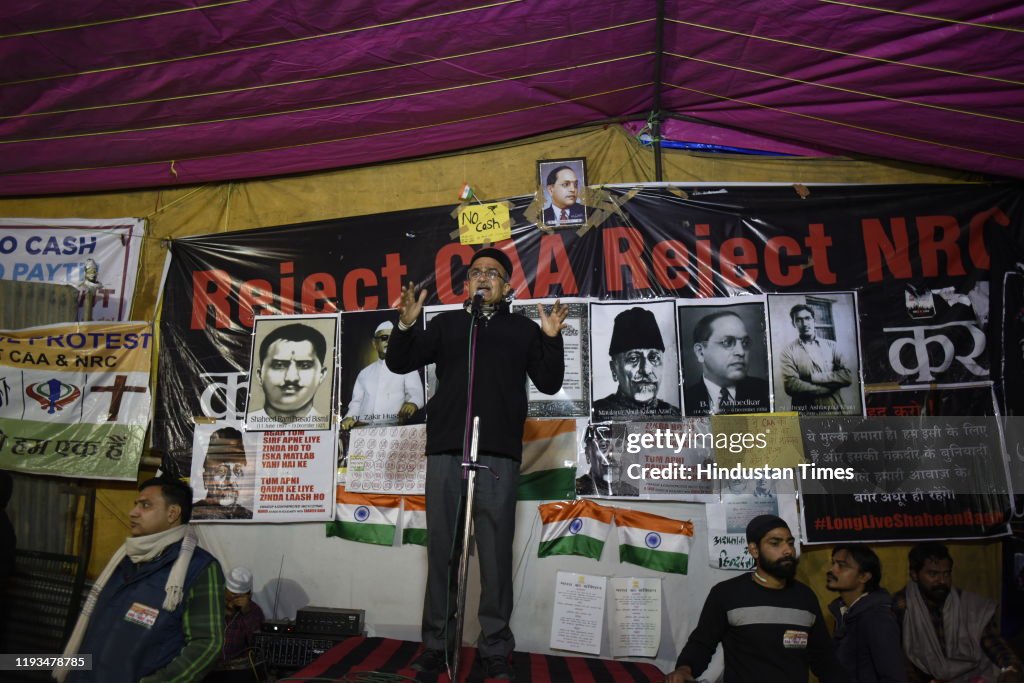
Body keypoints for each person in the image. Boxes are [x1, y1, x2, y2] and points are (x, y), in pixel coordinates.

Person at [386, 246, 567, 681]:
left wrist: (550, 336)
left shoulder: (522, 330)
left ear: (507, 286)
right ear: (467, 285)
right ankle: (435, 646)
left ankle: (495, 649)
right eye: (475, 273)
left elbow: (550, 380)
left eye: (493, 273)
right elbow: (399, 361)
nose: (483, 278)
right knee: (442, 554)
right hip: (447, 450)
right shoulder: (449, 324)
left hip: (498, 453)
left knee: (494, 555)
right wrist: (407, 324)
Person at [55, 477, 224, 683]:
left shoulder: (199, 568)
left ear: (173, 513)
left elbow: (206, 644)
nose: (133, 512)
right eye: (136, 504)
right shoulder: (125, 558)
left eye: (145, 505)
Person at [665, 514, 847, 683]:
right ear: (754, 550)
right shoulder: (727, 594)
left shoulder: (805, 597)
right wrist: (684, 669)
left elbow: (823, 659)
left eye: (790, 543)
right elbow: (702, 644)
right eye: (775, 543)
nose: (787, 551)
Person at [892, 543, 1022, 683]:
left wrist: (1011, 669)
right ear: (914, 575)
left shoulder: (970, 605)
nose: (942, 581)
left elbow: (995, 644)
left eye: (947, 573)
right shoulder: (901, 607)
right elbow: (897, 659)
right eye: (933, 574)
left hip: (974, 676)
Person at [825, 544, 906, 683]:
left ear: (864, 576)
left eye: (842, 565)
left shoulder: (877, 617)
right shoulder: (845, 613)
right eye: (833, 563)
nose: (832, 570)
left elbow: (894, 677)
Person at [593, 307, 677, 419]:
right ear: (614, 369)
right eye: (633, 358)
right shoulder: (596, 414)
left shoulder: (675, 414)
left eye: (654, 358)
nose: (646, 370)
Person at [683, 311, 770, 416]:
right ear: (700, 352)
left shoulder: (766, 392)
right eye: (727, 342)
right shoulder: (685, 399)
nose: (741, 352)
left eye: (745, 343)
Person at [341, 320, 424, 430]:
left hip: (394, 429)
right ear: (374, 344)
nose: (389, 341)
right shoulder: (364, 373)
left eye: (393, 338)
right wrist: (349, 417)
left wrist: (412, 404)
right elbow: (356, 402)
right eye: (384, 337)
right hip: (364, 429)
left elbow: (416, 394)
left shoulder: (407, 367)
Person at [249, 322, 329, 429]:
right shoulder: (242, 427)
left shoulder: (331, 429)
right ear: (259, 375)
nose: (291, 378)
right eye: (279, 365)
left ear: (321, 375)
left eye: (305, 365)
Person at [779, 304, 853, 414]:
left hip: (834, 409)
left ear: (814, 320)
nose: (804, 324)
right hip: (805, 413)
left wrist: (813, 377)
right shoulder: (788, 351)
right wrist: (827, 389)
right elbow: (791, 385)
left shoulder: (832, 346)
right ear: (793, 324)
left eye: (807, 318)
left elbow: (847, 376)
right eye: (799, 320)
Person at [193, 427, 254, 520]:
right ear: (206, 479)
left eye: (237, 471)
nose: (230, 481)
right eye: (221, 472)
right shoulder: (194, 515)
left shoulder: (247, 516)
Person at [575, 423, 638, 497]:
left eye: (619, 445)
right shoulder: (575, 490)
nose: (612, 454)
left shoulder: (633, 492)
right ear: (588, 453)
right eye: (603, 445)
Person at [222, 566, 265, 661]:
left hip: (236, 666)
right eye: (231, 595)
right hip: (209, 665)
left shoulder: (254, 610)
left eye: (239, 596)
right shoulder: (213, 604)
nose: (234, 600)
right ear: (225, 590)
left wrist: (247, 613)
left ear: (248, 595)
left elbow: (257, 646)